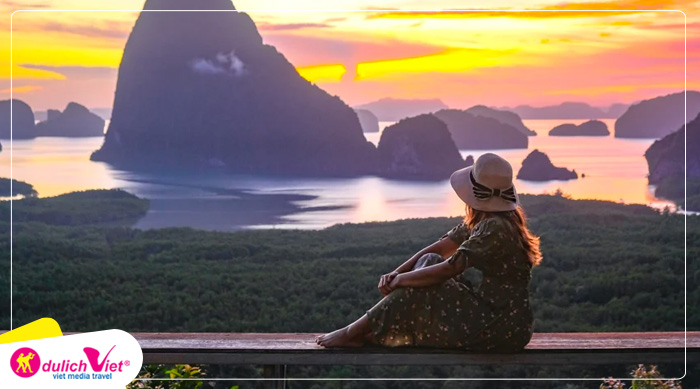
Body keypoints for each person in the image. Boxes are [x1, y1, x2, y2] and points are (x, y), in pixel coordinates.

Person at [315, 153, 541, 351]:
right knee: (428, 260)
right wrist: (395, 274)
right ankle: (367, 332)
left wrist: (400, 281)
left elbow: (449, 269)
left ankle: (351, 333)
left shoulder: (495, 227)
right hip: (496, 316)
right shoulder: (488, 220)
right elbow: (438, 249)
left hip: (501, 325)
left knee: (414, 289)